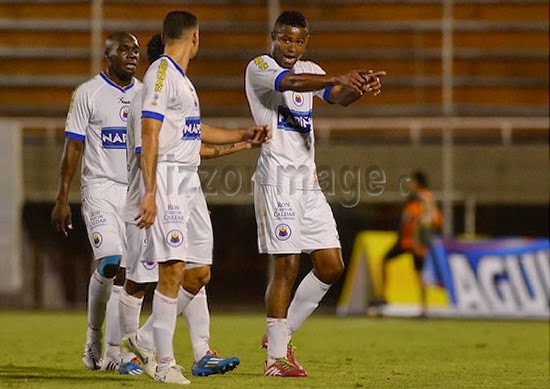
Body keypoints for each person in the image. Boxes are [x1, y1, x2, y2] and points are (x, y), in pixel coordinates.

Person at [245, 10, 386, 377]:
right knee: (287, 265)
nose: (291, 46)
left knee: (331, 265)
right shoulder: (260, 66)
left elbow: (336, 97)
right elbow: (290, 83)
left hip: (307, 184)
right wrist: (338, 76)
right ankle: (276, 359)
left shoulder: (312, 68)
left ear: (306, 41)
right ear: (274, 36)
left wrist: (357, 88)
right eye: (285, 38)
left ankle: (280, 332)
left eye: (298, 40)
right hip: (277, 181)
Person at [133, 11, 270, 384]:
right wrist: (149, 192)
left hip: (188, 182)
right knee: (172, 268)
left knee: (198, 272)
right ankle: (164, 363)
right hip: (167, 180)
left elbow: (195, 133)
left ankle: (145, 338)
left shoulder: (182, 81)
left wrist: (243, 137)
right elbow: (149, 133)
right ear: (196, 38)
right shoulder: (161, 73)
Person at [51, 32, 142, 374]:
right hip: (100, 188)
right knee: (111, 262)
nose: (132, 55)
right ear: (108, 55)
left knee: (130, 273)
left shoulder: (146, 93)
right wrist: (62, 198)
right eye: (124, 49)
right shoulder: (88, 93)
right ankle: (94, 338)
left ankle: (115, 354)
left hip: (134, 192)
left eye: (136, 50)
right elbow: (72, 147)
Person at [380, 171, 443, 317]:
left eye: (411, 182)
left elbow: (420, 220)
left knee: (418, 273)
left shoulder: (421, 197)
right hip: (411, 240)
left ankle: (384, 297)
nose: (409, 184)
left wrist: (416, 239)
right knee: (419, 274)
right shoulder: (428, 197)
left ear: (417, 182)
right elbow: (437, 219)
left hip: (412, 241)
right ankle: (424, 308)